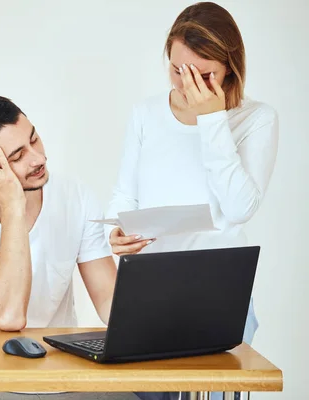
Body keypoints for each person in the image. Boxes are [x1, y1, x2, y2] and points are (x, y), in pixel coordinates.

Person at [105, 2, 279, 400]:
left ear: (230, 68)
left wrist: (212, 120)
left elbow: (239, 208)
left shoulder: (256, 119)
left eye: (204, 75)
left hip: (219, 292)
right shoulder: (146, 113)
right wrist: (116, 231)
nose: (187, 85)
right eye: (177, 70)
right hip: (149, 290)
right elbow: (124, 194)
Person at [0, 94, 137, 400]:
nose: (38, 158)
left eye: (35, 139)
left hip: (63, 379)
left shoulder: (74, 195)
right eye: (17, 156)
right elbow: (9, 316)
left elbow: (110, 304)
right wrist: (13, 205)